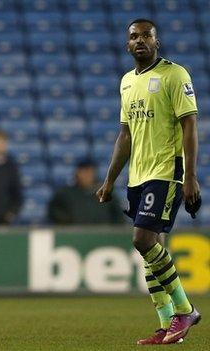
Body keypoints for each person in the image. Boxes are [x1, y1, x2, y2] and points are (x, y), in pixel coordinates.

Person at [96, 19, 201, 345]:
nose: (139, 40)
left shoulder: (175, 75)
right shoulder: (127, 82)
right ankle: (168, 324)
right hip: (138, 176)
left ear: (157, 41)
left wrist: (190, 175)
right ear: (127, 45)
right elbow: (125, 135)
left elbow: (190, 125)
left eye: (146, 35)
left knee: (142, 240)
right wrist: (110, 179)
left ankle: (185, 310)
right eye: (133, 36)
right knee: (152, 250)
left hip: (166, 172)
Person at [49, 159, 123, 224]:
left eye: (90, 172)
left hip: (102, 235)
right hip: (75, 235)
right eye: (84, 172)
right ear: (77, 173)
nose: (87, 175)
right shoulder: (66, 193)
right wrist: (68, 223)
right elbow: (53, 211)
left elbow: (118, 216)